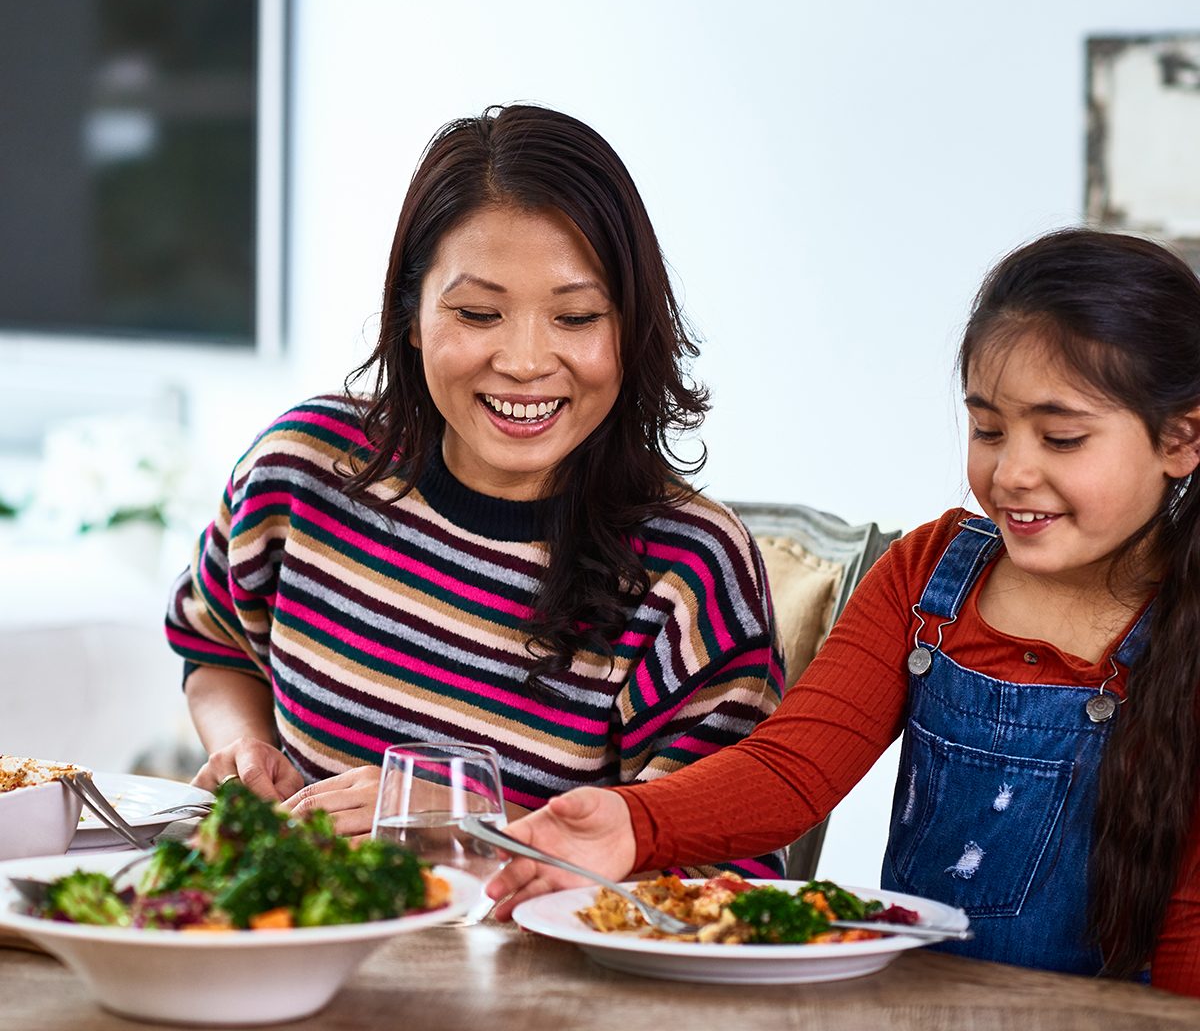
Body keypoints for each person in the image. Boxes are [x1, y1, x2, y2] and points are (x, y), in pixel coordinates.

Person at [488, 228, 1200, 994]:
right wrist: (633, 824)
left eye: (1062, 438)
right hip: (917, 1008)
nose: (1012, 471)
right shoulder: (929, 575)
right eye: (988, 428)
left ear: (1181, 438)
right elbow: (791, 771)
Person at [165, 103, 785, 877]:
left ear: (630, 326)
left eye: (577, 315)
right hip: (288, 952)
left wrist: (467, 826)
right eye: (479, 313)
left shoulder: (688, 567)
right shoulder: (305, 464)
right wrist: (243, 748)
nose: (525, 361)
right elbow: (214, 641)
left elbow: (723, 864)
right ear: (414, 314)